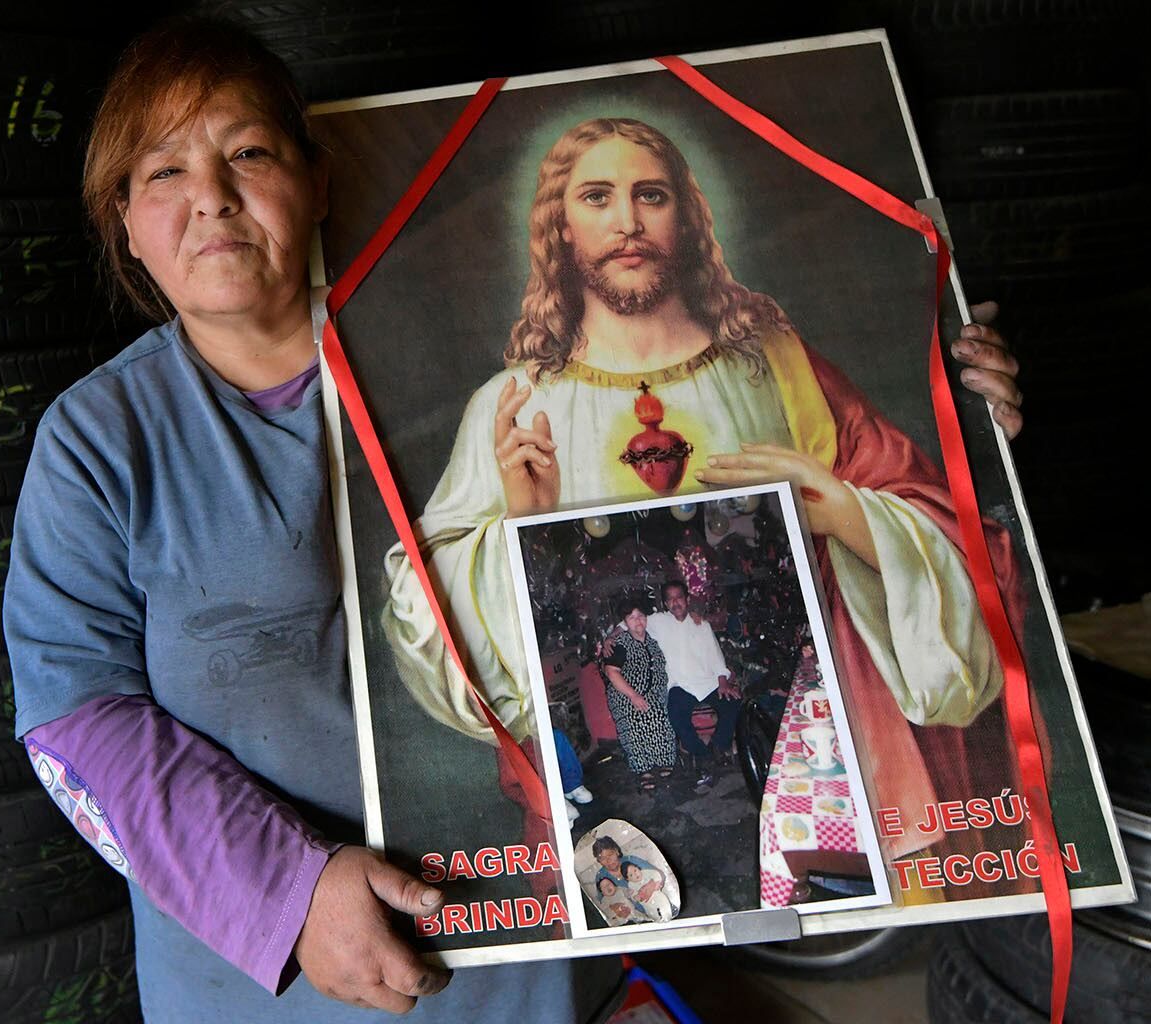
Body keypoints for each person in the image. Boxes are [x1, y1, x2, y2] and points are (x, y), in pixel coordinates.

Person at [2, 19, 602, 1023]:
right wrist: (288, 891)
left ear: (315, 181)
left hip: (515, 950)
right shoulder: (98, 440)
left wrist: (960, 404)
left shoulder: (480, 386)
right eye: (163, 172)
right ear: (125, 220)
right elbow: (75, 719)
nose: (210, 197)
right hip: (260, 978)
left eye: (247, 152)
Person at [378, 116, 1030, 886]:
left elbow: (944, 525)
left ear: (686, 214)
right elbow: (428, 622)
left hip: (815, 751)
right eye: (596, 197)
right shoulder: (513, 406)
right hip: (632, 761)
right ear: (559, 226)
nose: (626, 221)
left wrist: (847, 515)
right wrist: (524, 535)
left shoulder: (778, 367)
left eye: (649, 195)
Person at [646, 580, 739, 787]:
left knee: (732, 703)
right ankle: (702, 754)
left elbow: (716, 657)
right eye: (669, 599)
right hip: (681, 685)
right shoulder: (658, 622)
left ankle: (718, 746)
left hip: (707, 682)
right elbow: (630, 621)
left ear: (687, 599)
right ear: (665, 603)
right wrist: (611, 638)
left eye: (678, 597)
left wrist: (723, 683)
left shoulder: (702, 625)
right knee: (675, 713)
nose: (675, 602)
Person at [598, 596, 676, 787]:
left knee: (659, 715)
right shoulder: (620, 644)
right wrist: (633, 695)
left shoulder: (652, 642)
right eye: (632, 617)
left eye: (641, 616)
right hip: (624, 694)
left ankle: (663, 761)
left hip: (652, 693)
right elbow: (611, 672)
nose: (638, 620)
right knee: (635, 718)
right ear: (625, 622)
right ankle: (643, 769)